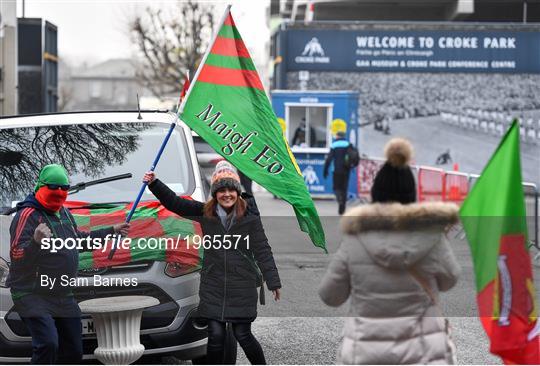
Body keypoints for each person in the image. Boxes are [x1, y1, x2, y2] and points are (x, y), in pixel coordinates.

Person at [319, 138, 461, 364]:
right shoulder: (431, 236)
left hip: (366, 352)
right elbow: (449, 280)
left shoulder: (355, 239)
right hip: (422, 352)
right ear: (412, 195)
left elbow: (330, 295)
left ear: (376, 193)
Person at [143, 161, 281, 365]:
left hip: (241, 285)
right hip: (213, 284)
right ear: (215, 193)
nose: (227, 194)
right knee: (215, 334)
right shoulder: (205, 213)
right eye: (221, 190)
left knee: (242, 334)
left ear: (238, 191)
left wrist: (274, 281)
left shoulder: (250, 217)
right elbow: (175, 203)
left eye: (231, 190)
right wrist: (154, 184)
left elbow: (262, 249)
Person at [6, 164, 129, 364]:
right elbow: (17, 255)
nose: (59, 193)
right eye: (54, 188)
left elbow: (78, 240)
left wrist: (111, 231)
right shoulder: (26, 215)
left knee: (73, 350)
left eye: (64, 189)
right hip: (32, 294)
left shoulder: (64, 213)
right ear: (40, 187)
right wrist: (36, 241)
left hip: (63, 294)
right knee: (48, 344)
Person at [323, 131, 353, 215]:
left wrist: (325, 170)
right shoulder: (348, 144)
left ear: (337, 136)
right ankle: (342, 206)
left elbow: (329, 159)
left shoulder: (334, 145)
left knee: (336, 188)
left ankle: (339, 200)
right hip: (346, 170)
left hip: (336, 170)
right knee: (344, 188)